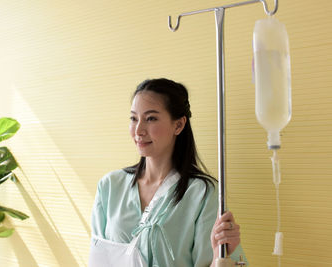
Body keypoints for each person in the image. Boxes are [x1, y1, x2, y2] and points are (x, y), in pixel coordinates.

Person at [90, 78, 246, 267]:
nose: (138, 130)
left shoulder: (202, 194)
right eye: (133, 118)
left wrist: (218, 255)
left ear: (178, 125)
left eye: (151, 119)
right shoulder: (110, 186)